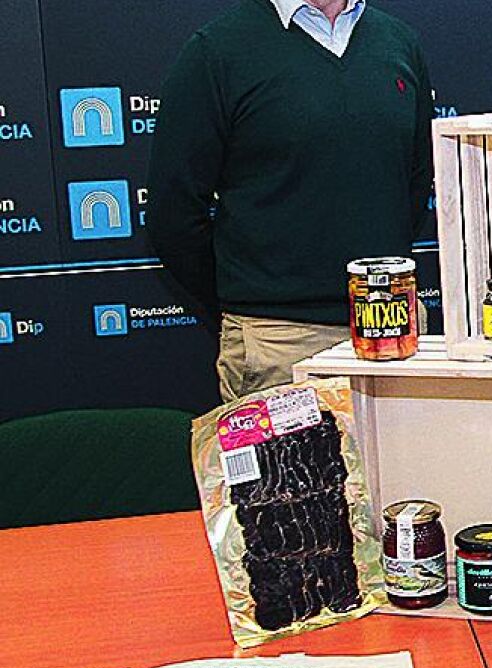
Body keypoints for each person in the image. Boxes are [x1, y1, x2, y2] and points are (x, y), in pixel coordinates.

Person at [148, 0, 433, 402]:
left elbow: (415, 184)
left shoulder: (398, 41)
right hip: (277, 344)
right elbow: (173, 215)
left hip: (394, 331)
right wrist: (253, 298)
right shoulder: (217, 51)